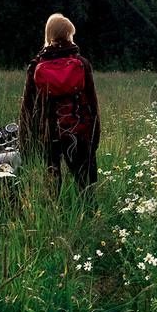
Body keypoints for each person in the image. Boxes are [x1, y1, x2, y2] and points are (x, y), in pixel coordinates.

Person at [19, 13, 100, 198]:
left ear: (49, 35)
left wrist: (25, 143)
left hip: (47, 135)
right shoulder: (82, 64)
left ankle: (56, 219)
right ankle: (90, 217)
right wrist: (94, 138)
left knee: (52, 189)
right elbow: (93, 105)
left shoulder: (35, 66)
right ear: (69, 35)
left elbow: (27, 109)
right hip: (78, 134)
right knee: (86, 189)